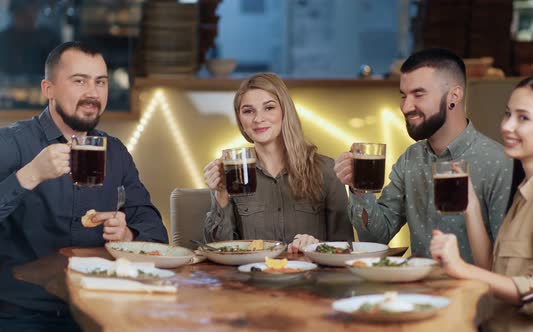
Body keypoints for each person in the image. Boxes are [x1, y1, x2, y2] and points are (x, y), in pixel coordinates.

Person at [0, 41, 167, 328]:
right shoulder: (11, 144)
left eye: (100, 82)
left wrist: (127, 235)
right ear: (48, 89)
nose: (92, 93)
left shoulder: (115, 152)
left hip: (100, 312)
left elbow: (156, 232)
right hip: (22, 315)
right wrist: (29, 175)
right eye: (79, 81)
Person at [430, 76, 533, 331]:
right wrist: (470, 205)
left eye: (523, 118)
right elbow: (493, 273)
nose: (507, 126)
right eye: (508, 115)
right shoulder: (526, 190)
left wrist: (460, 268)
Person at [334, 48, 513, 262]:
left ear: (454, 95)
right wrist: (359, 190)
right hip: (416, 290)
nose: (406, 106)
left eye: (419, 94)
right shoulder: (411, 158)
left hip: (473, 291)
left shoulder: (498, 162)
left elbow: (506, 261)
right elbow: (376, 237)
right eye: (403, 95)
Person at [203, 72, 353, 253]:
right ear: (240, 120)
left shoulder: (327, 171)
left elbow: (345, 248)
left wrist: (318, 246)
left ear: (285, 111)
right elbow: (220, 251)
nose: (258, 119)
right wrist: (221, 196)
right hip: (250, 277)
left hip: (310, 278)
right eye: (248, 111)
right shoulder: (232, 174)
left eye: (269, 108)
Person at [0, 0, 61, 76]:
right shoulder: (4, 39)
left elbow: (57, 70)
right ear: (14, 14)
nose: (27, 16)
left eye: (32, 10)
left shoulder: (49, 38)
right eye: (22, 12)